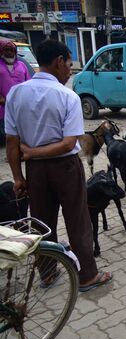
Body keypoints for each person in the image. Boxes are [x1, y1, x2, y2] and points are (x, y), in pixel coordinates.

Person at [5, 39, 113, 292]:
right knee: (77, 219)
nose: (70, 72)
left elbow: (12, 142)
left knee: (41, 222)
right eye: (68, 65)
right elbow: (67, 144)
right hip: (64, 167)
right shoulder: (67, 96)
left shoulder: (16, 93)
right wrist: (33, 152)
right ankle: (87, 276)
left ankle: (48, 273)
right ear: (58, 61)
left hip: (35, 170)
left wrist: (18, 177)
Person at [0, 39, 30, 146]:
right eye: (6, 50)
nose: (9, 52)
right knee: (8, 133)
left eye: (12, 50)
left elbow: (28, 83)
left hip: (20, 104)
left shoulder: (22, 65)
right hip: (3, 106)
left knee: (22, 130)